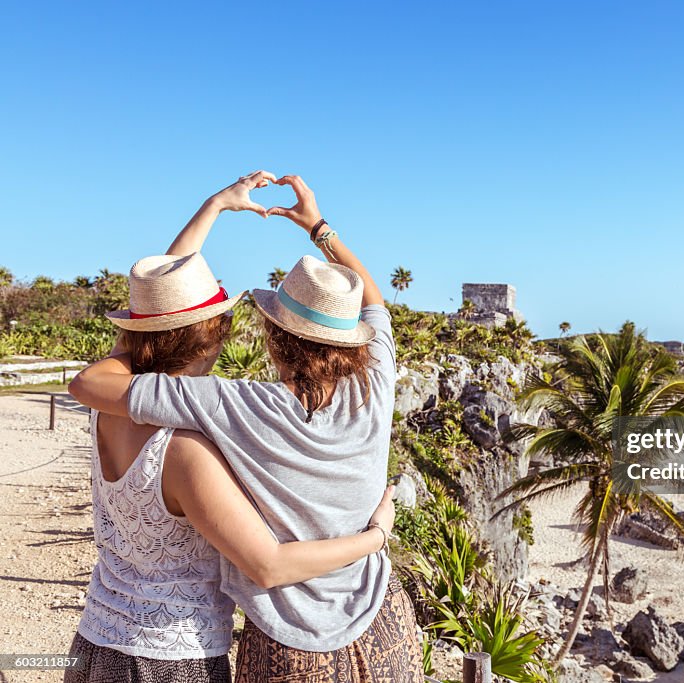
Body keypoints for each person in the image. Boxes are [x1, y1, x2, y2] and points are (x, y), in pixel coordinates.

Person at [70, 171, 422, 682]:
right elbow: (374, 301)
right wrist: (320, 229)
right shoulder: (376, 381)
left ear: (274, 341)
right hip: (377, 618)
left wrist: (211, 209)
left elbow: (97, 375)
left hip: (270, 642)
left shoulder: (226, 406)